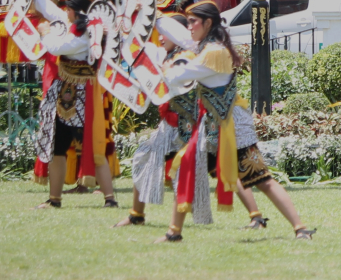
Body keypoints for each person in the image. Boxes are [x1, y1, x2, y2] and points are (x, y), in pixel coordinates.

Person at [155, 1, 313, 243]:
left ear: (207, 23)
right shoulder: (206, 45)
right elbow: (176, 37)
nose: (188, 27)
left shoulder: (214, 52)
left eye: (192, 22)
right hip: (213, 126)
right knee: (187, 166)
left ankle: (300, 228)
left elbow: (179, 76)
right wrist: (153, 17)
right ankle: (174, 232)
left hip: (232, 126)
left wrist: (167, 66)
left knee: (260, 179)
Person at [114, 13, 271, 231]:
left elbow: (172, 82)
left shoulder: (187, 56)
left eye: (165, 34)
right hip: (172, 122)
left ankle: (254, 217)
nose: (160, 38)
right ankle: (139, 215)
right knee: (146, 155)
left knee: (225, 168)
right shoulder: (170, 55)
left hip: (190, 124)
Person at [31, 0, 120, 209]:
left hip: (82, 98)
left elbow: (57, 47)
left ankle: (109, 198)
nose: (65, 12)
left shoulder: (86, 34)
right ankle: (55, 199)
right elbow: (53, 13)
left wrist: (44, 32)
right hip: (65, 96)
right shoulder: (77, 27)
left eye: (68, 8)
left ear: (74, 11)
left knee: (92, 147)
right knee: (57, 147)